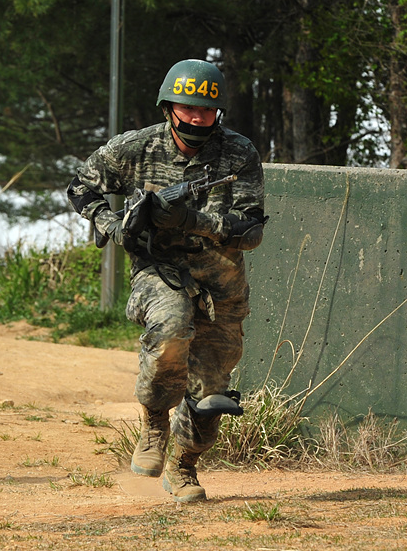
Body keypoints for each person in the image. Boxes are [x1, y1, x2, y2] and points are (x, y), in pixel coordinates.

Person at [66, 59, 266, 503]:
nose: (197, 118)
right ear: (168, 107)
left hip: (222, 283)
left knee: (212, 389)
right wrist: (112, 223)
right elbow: (81, 186)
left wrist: (194, 220)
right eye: (187, 108)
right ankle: (155, 422)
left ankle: (184, 467)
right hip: (159, 270)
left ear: (219, 113)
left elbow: (251, 230)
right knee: (171, 329)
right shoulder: (135, 148)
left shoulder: (239, 153)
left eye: (206, 111)